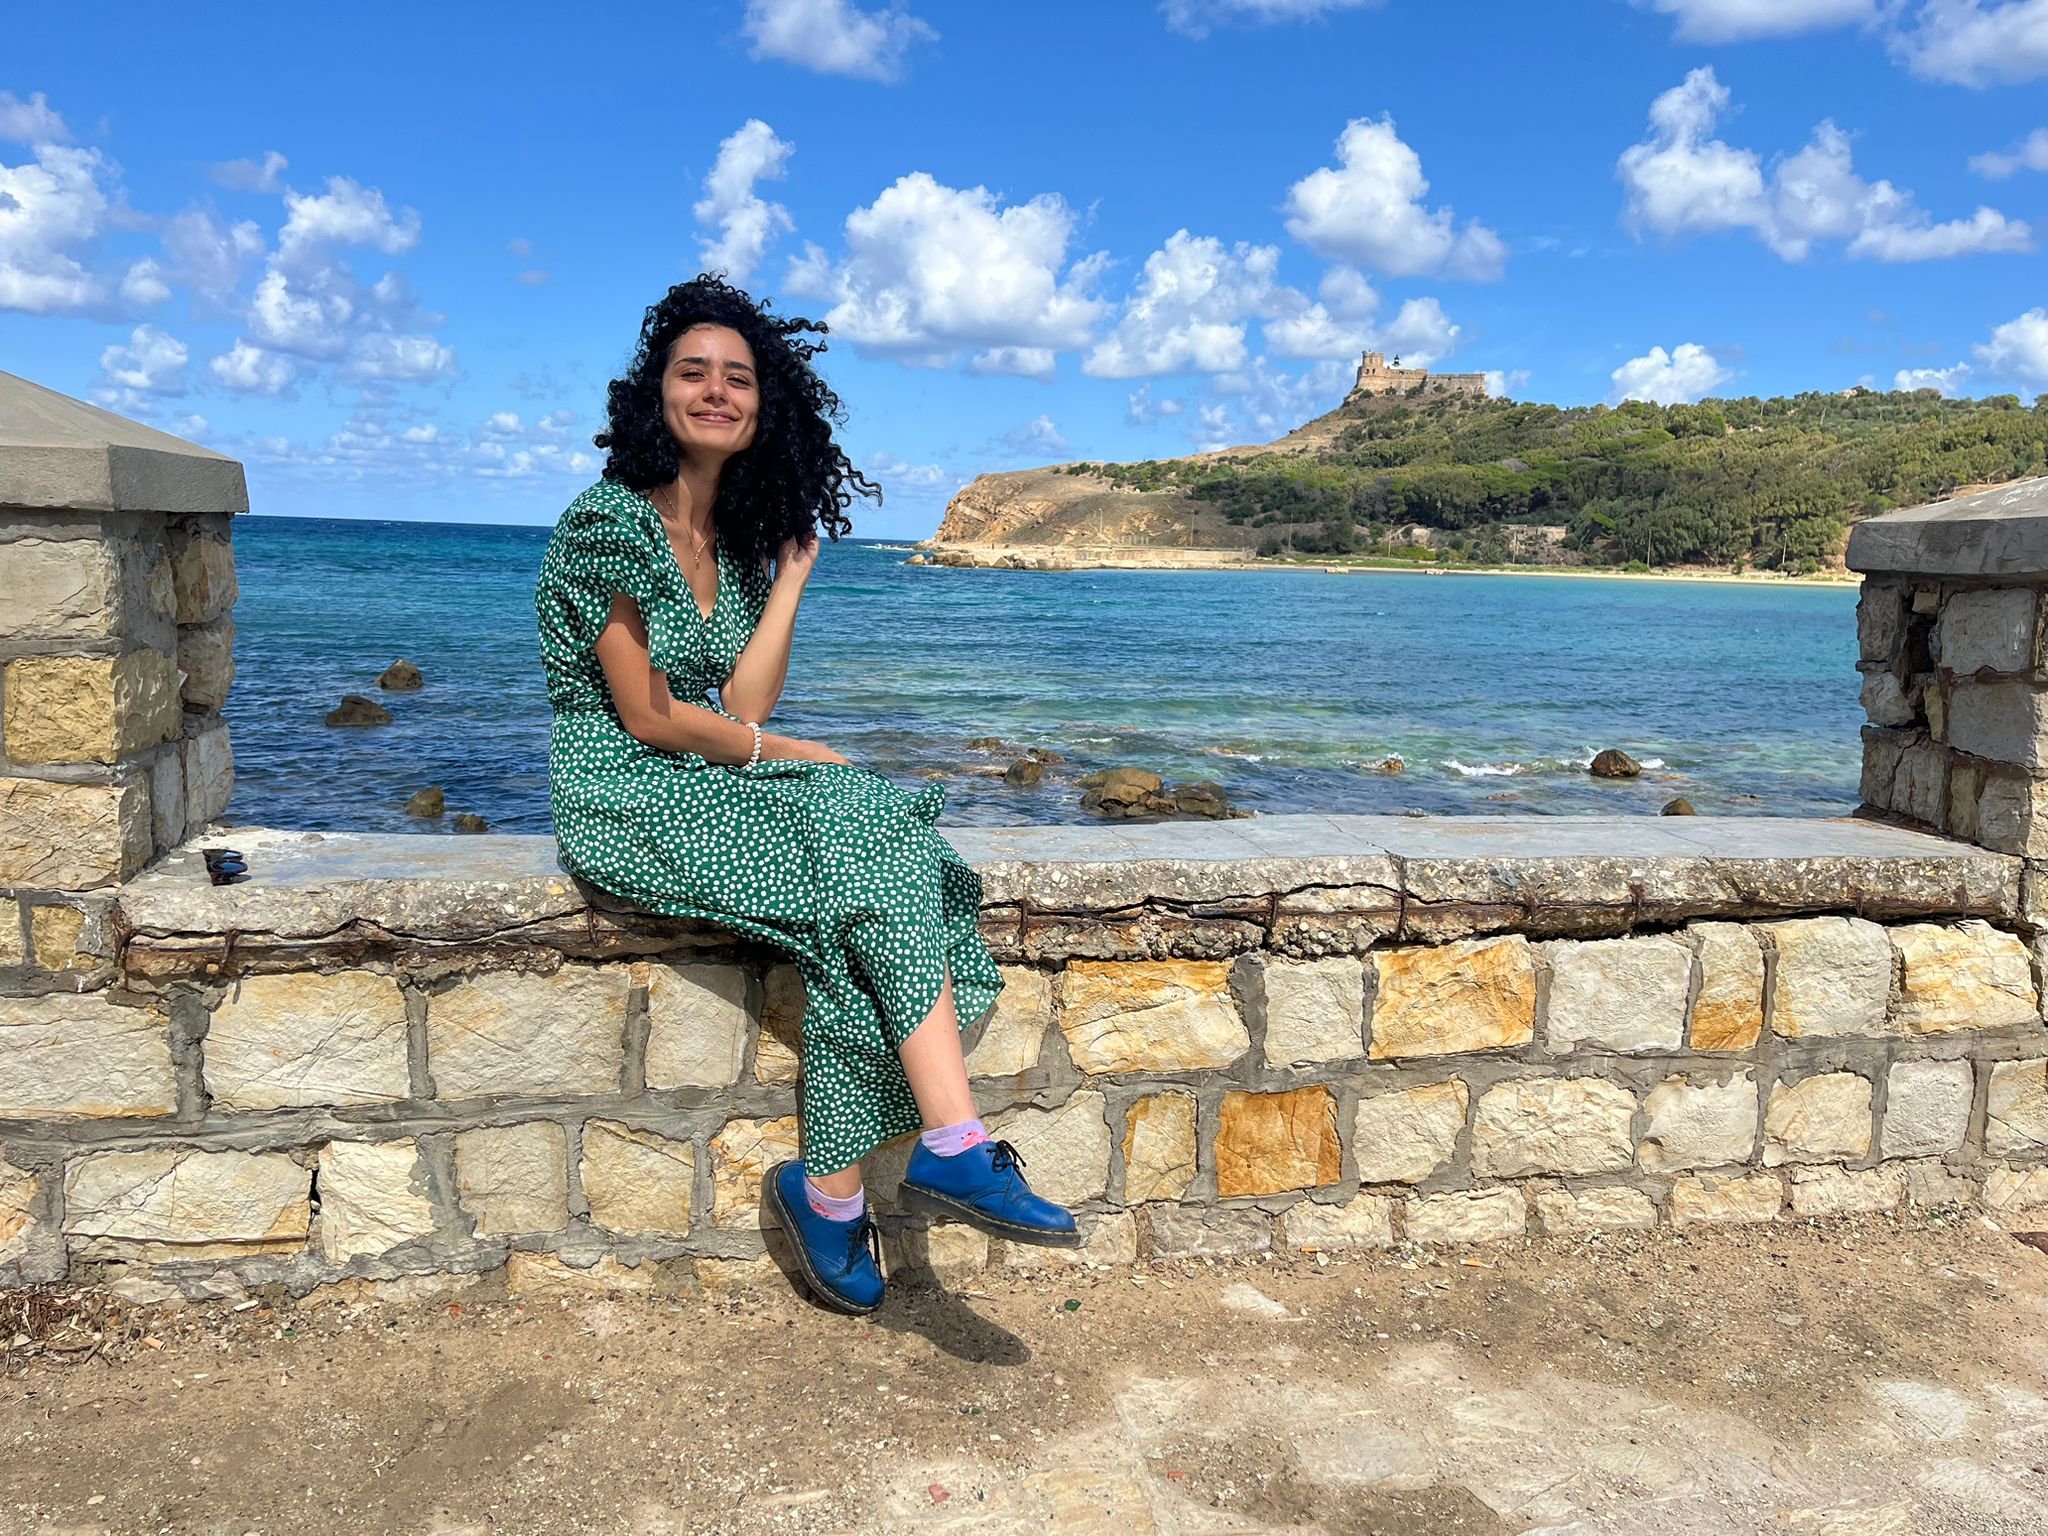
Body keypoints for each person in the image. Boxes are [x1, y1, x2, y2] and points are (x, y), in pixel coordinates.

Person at [533, 275, 1078, 1316]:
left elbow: (736, 695)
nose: (714, 391)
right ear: (654, 394)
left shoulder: (731, 547)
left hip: (699, 778)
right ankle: (947, 1144)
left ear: (762, 407)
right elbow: (646, 717)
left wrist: (787, 578)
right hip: (621, 795)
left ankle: (832, 1192)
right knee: (866, 828)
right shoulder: (607, 523)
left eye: (736, 378)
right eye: (691, 372)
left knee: (877, 882)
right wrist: (792, 750)